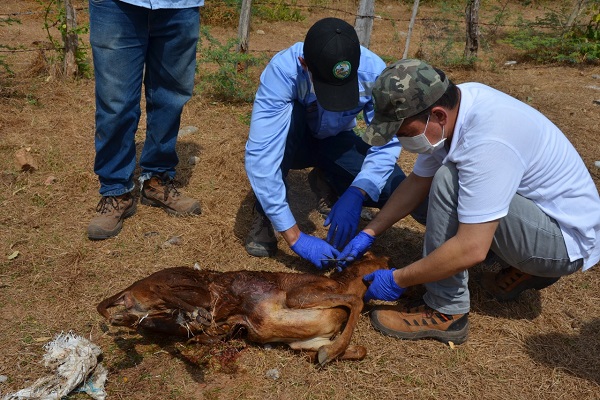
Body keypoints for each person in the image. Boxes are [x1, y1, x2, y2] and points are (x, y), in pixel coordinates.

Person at [339, 58, 600, 344]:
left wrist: (397, 279)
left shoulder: (489, 140)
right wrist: (370, 232)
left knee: (449, 180)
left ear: (437, 115)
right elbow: (416, 183)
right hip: (541, 217)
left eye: (404, 132)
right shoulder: (456, 106)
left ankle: (445, 311)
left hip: (562, 243)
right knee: (435, 188)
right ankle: (524, 266)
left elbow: (472, 248)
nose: (402, 142)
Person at [244, 17, 427, 268]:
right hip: (293, 143)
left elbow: (385, 142)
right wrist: (295, 237)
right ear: (304, 64)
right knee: (291, 120)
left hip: (335, 140)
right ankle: (265, 215)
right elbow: (262, 156)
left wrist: (358, 190)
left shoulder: (373, 71)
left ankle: (327, 180)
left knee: (391, 188)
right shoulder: (283, 71)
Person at [87, 0, 203, 240]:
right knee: (115, 103)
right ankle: (116, 190)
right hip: (116, 6)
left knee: (170, 98)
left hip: (179, 6)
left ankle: (157, 179)